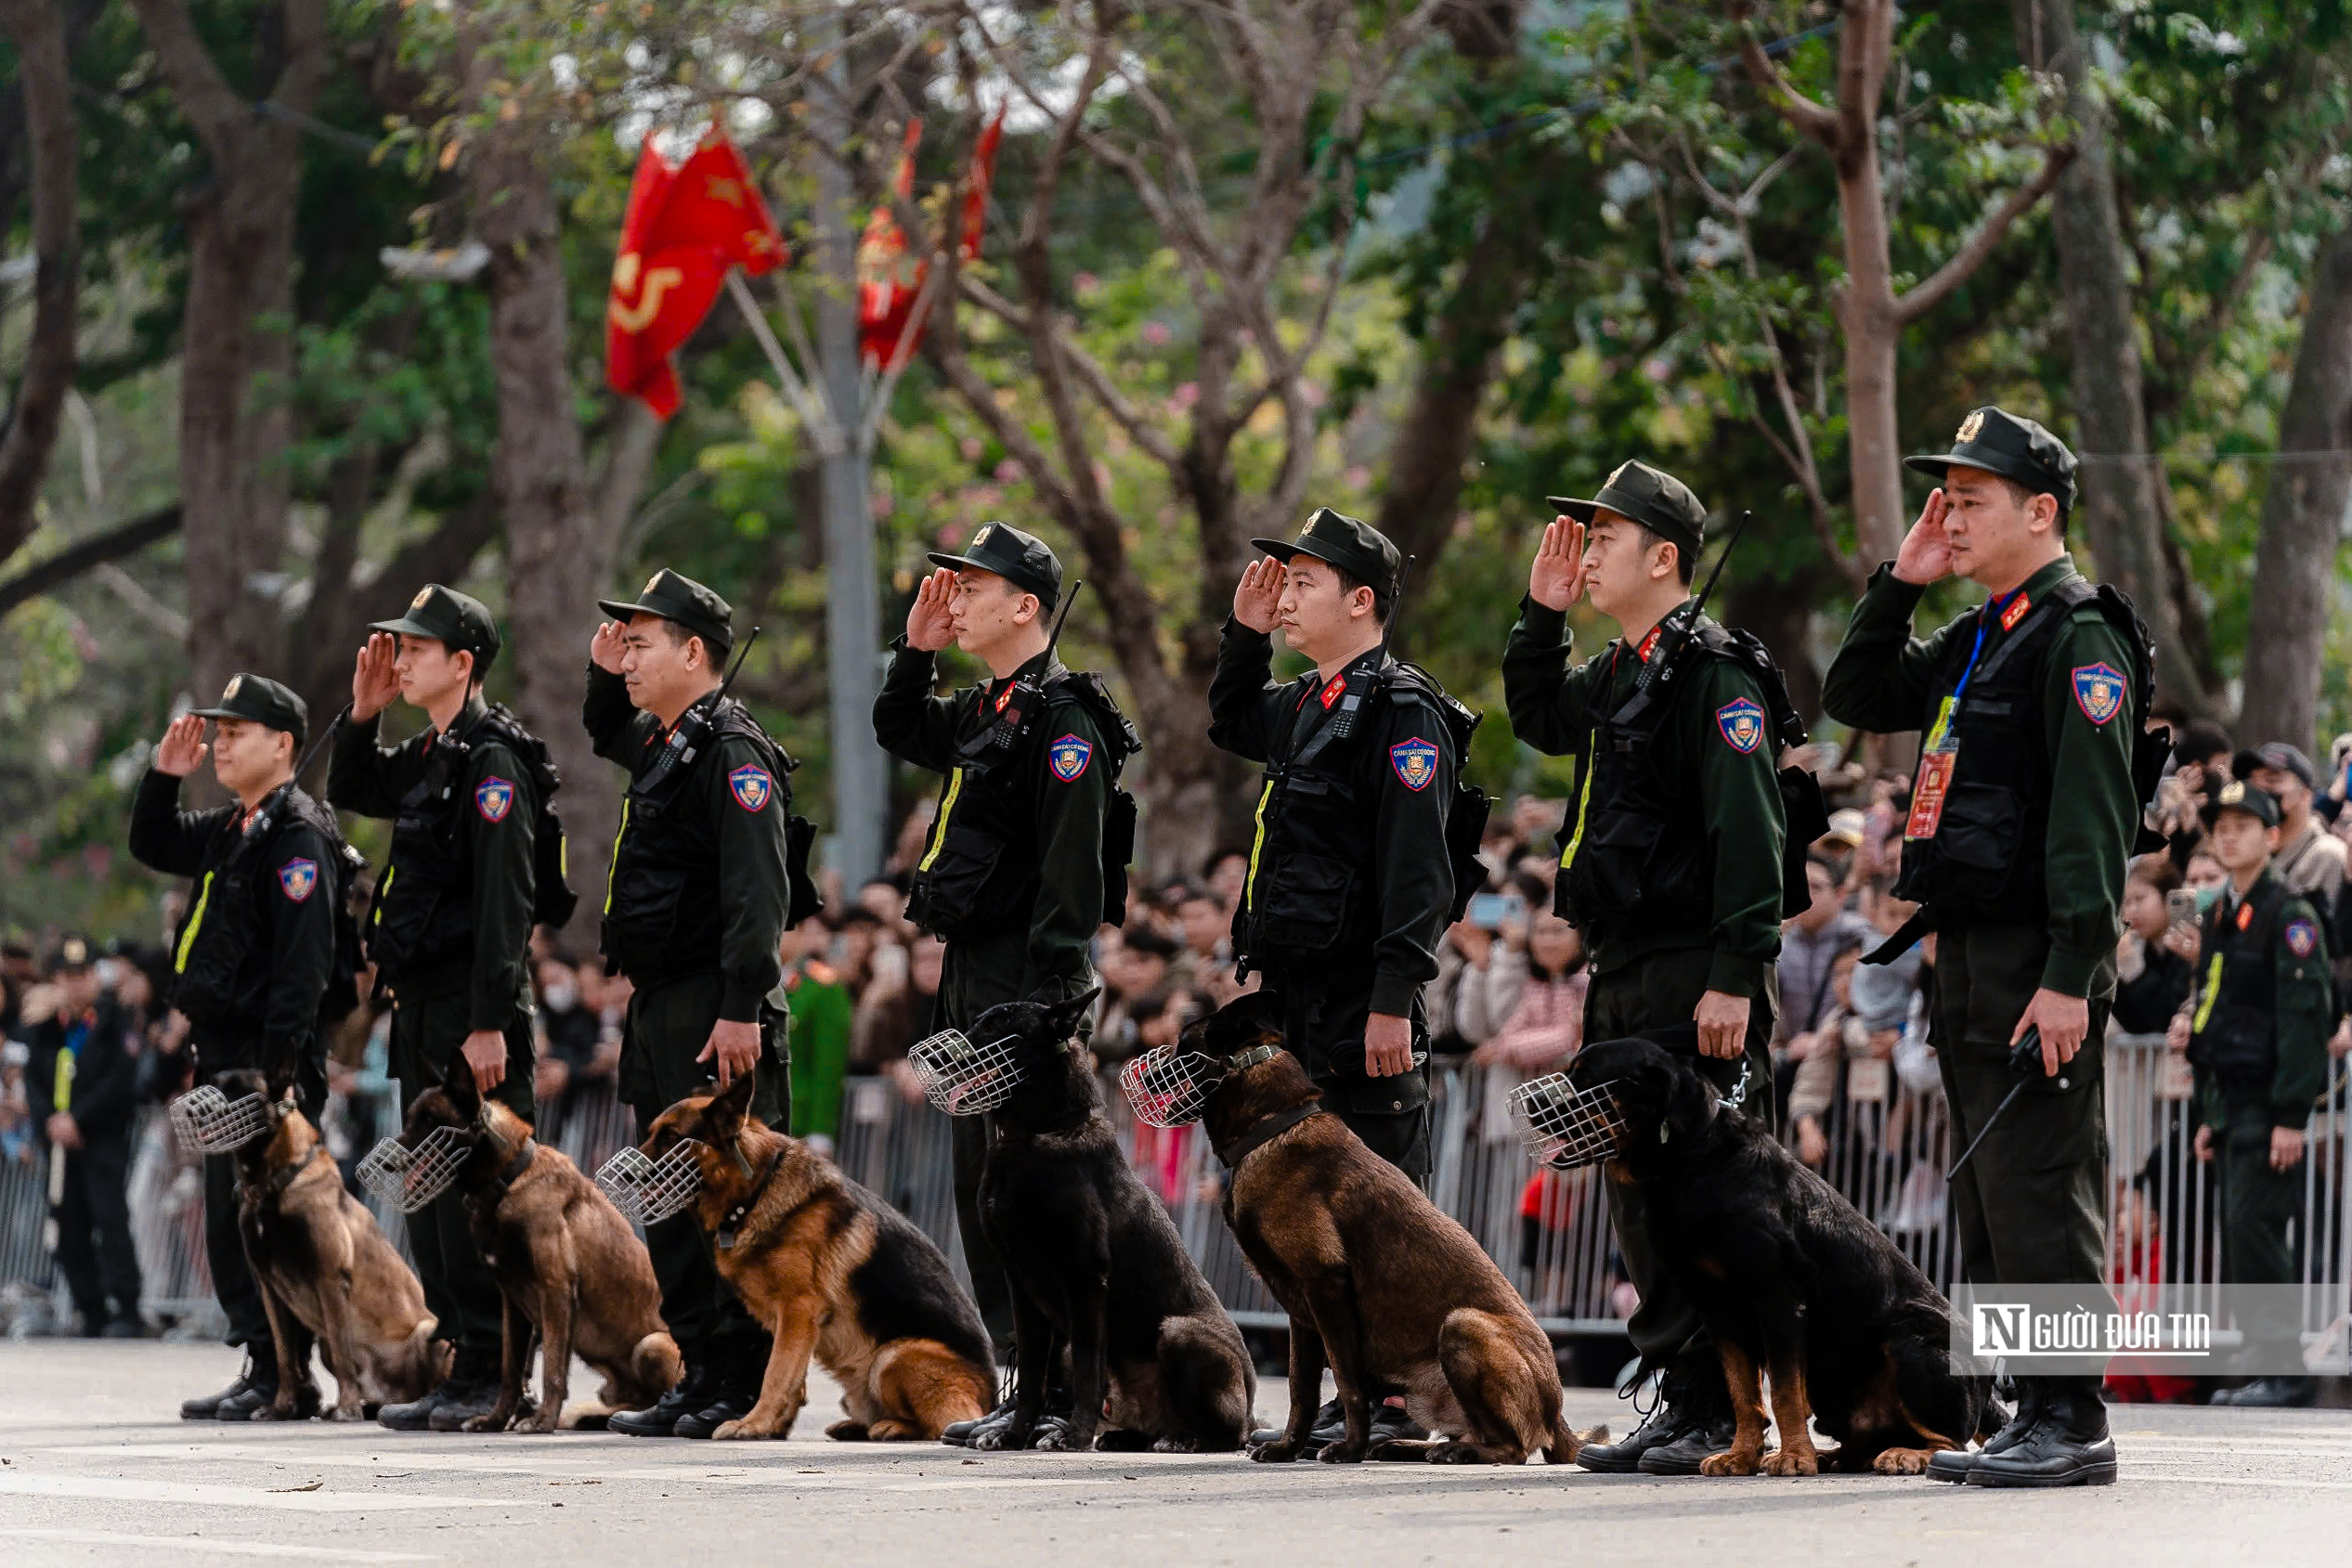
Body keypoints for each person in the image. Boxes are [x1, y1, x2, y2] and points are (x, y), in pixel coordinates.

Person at [1822, 406, 2151, 1487]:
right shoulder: (1983, 630)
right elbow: (1859, 694)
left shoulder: (2078, 634)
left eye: (1970, 500)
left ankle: (2072, 1418)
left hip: (2032, 958)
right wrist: (1902, 579)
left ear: (2041, 510)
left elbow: (2092, 827)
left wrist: (2070, 977)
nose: (1949, 518)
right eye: (1944, 498)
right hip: (1963, 950)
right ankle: (2019, 1406)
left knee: (2041, 1184)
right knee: (1987, 1190)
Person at [1502, 460, 1791, 1473]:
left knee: (1708, 1196)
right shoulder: (1621, 670)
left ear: (1664, 557)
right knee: (1636, 1190)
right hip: (1621, 965)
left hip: (1688, 967)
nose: (1583, 556)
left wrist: (1736, 970)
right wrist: (1541, 618)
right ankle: (1685, 1389)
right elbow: (1540, 718)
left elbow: (1751, 835)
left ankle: (1731, 1404)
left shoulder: (1713, 673)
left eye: (1604, 538)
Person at [1210, 506, 1472, 1452]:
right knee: (1314, 1214)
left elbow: (1418, 870)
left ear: (1361, 600)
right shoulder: (1304, 703)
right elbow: (1230, 716)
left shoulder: (1403, 710)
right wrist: (1244, 636)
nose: (1285, 594)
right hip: (1299, 998)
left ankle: (1404, 1399)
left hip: (1365, 996)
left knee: (1385, 1206)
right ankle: (1350, 1395)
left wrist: (1395, 996)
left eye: (1304, 580)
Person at [872, 522, 1133, 1445]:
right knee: (984, 1190)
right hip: (973, 971)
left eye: (973, 587)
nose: (956, 597)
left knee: (1043, 1203)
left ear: (1026, 604)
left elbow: (1072, 867)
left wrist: (1057, 989)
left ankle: (1072, 1392)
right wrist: (916, 649)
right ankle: (1027, 1389)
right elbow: (899, 725)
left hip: (1027, 978)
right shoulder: (989, 709)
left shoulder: (1063, 717)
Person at [586, 568, 798, 1439]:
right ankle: (698, 1368)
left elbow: (758, 890)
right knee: (672, 1191)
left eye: (641, 644)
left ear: (694, 650)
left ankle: (743, 1379)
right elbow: (607, 729)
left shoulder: (730, 749)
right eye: (624, 644)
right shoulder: (670, 741)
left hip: (718, 1001)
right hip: (663, 999)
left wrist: (744, 1002)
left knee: (735, 1202)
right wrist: (604, 674)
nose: (627, 659)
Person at [329, 584, 543, 1432]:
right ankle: (458, 1355)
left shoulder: (493, 758)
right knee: (431, 1183)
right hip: (419, 999)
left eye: (416, 649)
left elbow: (506, 898)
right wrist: (360, 714)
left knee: (484, 1195)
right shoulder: (433, 751)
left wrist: (491, 1017)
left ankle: (496, 1368)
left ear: (463, 662)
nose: (400, 658)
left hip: (468, 1005)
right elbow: (355, 785)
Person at [127, 675, 349, 1418]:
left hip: (268, 1061)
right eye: (218, 732)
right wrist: (164, 776)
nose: (220, 743)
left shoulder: (297, 833)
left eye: (237, 732)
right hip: (223, 1053)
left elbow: (303, 964)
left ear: (282, 743)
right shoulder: (234, 827)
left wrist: (280, 1070)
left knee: (276, 1218)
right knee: (233, 1217)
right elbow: (152, 840)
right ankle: (264, 1361)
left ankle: (296, 1371)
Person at [2166, 782, 2329, 1408]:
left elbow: (2302, 1020)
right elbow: (2213, 1007)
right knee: (2238, 1234)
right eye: (2220, 825)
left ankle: (2283, 1369)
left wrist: (2291, 1114)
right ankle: (2267, 1363)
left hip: (2267, 1104)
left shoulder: (2289, 913)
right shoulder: (2220, 914)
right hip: (2231, 1102)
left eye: (2243, 824)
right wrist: (2209, 1113)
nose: (2228, 835)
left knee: (2255, 1229)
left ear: (2270, 836)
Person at [23, 938, 145, 1339]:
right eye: (67, 977)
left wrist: (78, 1119)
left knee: (109, 1219)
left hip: (101, 1138)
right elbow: (34, 1081)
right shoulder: (47, 1027)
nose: (75, 985)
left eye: (82, 975)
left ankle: (126, 1306)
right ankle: (88, 1306)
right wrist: (52, 1122)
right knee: (67, 1224)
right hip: (58, 1144)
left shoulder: (114, 1020)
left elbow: (120, 1080)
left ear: (94, 977)